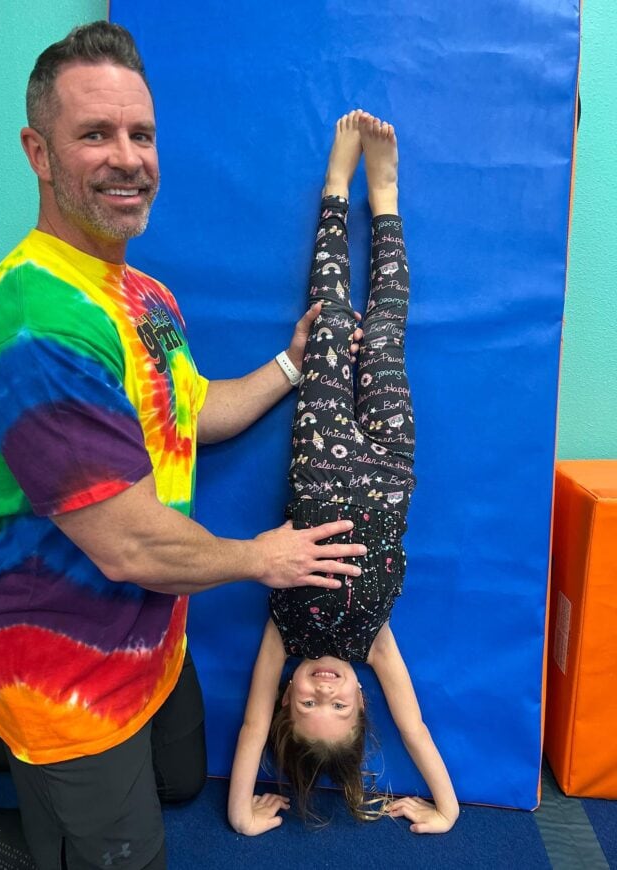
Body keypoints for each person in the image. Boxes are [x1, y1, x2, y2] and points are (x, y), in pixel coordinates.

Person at [0, 21, 367, 870]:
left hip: (153, 638)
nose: (128, 157)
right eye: (94, 134)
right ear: (39, 152)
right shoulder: (37, 329)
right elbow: (129, 544)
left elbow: (192, 414)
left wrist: (290, 363)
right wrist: (262, 558)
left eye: (141, 134)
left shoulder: (144, 294)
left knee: (177, 781)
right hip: (61, 668)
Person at [228, 111, 459, 836]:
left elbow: (251, 722)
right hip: (391, 463)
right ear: (364, 700)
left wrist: (238, 812)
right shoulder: (374, 640)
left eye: (308, 704)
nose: (323, 690)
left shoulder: (284, 632)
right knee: (385, 330)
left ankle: (337, 188)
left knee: (330, 321)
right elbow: (415, 723)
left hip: (322, 456)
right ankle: (385, 199)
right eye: (340, 706)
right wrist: (448, 809)